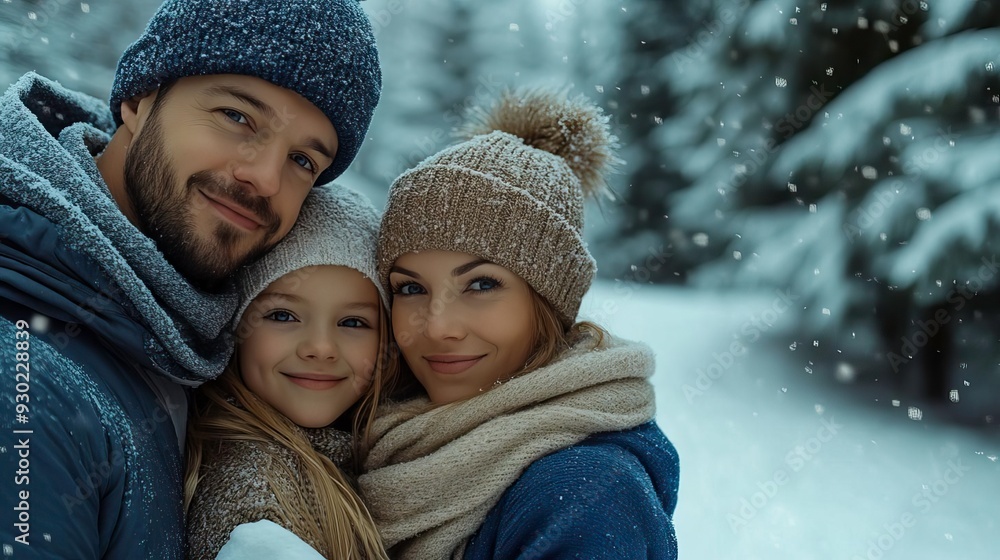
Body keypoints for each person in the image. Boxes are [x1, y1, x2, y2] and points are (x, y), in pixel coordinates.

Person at [0, 0, 380, 556]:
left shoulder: (185, 344)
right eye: (237, 117)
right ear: (138, 99)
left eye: (303, 161)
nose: (265, 178)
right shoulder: (27, 388)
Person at [358, 89, 680, 559]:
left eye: (482, 285)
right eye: (410, 288)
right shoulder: (387, 438)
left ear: (548, 301)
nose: (437, 327)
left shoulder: (583, 492)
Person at [185, 185, 393, 560]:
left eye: (353, 322)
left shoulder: (354, 455)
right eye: (283, 315)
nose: (321, 348)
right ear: (238, 331)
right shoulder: (257, 505)